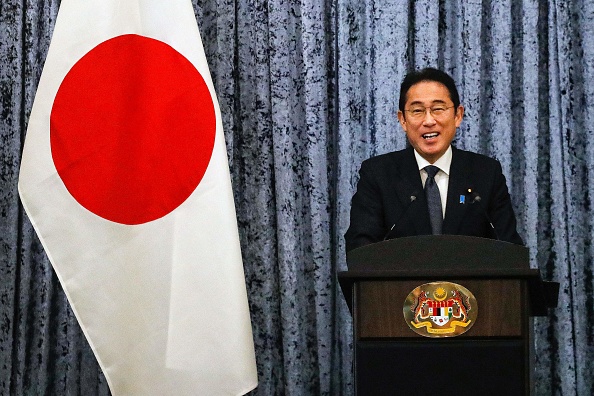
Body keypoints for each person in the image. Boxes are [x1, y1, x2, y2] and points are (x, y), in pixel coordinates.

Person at [344, 67, 523, 252]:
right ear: (403, 120)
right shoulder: (378, 174)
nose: (429, 121)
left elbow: (510, 249)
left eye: (438, 109)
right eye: (417, 111)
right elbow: (361, 250)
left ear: (458, 115)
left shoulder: (486, 173)